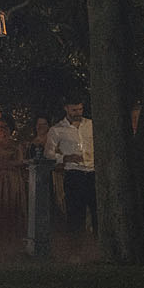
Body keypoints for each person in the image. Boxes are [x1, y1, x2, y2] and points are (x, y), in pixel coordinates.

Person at [45, 96, 95, 236]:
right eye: (74, 110)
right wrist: (65, 158)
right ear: (66, 108)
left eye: (80, 109)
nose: (78, 113)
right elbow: (48, 154)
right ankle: (76, 248)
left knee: (97, 211)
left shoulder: (91, 125)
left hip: (92, 172)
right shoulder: (57, 130)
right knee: (75, 214)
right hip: (74, 174)